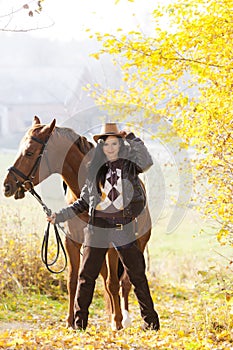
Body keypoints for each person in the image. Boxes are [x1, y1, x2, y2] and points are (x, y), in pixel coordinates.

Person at [47, 123, 160, 331]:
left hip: (122, 226)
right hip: (97, 227)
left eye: (114, 143)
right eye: (106, 144)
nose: (110, 147)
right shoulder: (94, 170)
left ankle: (151, 322)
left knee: (137, 275)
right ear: (101, 146)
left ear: (120, 144)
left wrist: (132, 137)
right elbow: (83, 201)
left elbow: (147, 160)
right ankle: (80, 324)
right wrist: (60, 215)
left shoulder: (130, 165)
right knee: (86, 276)